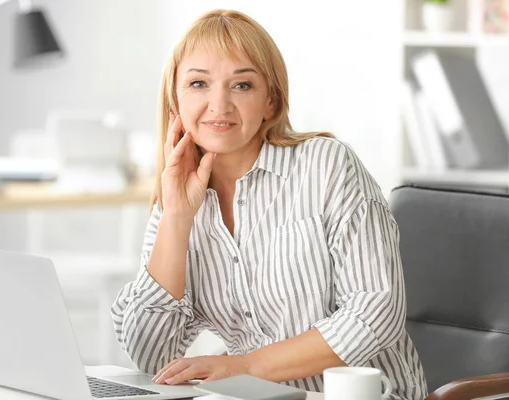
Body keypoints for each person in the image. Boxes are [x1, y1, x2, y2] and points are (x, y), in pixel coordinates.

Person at [111, 9, 427, 400]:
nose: (219, 104)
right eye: (198, 83)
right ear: (175, 101)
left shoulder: (325, 166)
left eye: (241, 85)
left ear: (271, 103)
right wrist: (176, 217)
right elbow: (150, 355)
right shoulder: (178, 197)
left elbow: (375, 313)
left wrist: (246, 366)